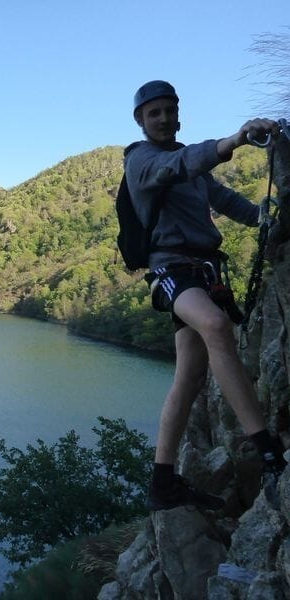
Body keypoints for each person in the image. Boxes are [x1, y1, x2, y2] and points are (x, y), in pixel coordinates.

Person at [124, 80, 287, 511]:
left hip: (201, 271)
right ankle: (267, 450)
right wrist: (233, 140)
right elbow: (177, 165)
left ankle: (163, 483)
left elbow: (229, 201)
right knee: (215, 325)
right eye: (152, 113)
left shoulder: (194, 173)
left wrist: (266, 217)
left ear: (178, 115)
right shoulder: (141, 161)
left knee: (190, 374)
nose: (161, 118)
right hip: (172, 271)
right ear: (141, 121)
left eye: (168, 111)